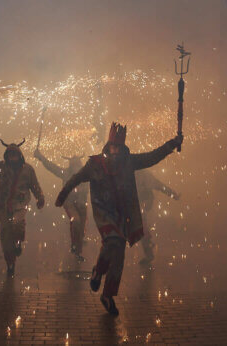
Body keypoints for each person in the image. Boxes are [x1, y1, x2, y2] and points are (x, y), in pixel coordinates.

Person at [55, 122, 183, 315]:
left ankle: (107, 293)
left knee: (118, 254)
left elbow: (152, 157)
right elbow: (77, 177)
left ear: (122, 148)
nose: (115, 152)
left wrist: (172, 143)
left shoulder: (129, 162)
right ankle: (98, 272)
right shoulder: (95, 164)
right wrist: (64, 193)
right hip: (104, 213)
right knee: (113, 240)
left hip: (123, 214)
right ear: (108, 146)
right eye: (113, 147)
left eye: (118, 148)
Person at [0, 138, 45, 277]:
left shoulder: (28, 170)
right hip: (3, 207)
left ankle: (18, 242)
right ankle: (10, 263)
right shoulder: (3, 168)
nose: (12, 158)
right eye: (10, 155)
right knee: (5, 239)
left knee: (18, 224)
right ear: (7, 156)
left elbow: (35, 185)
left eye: (14, 155)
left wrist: (40, 197)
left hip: (20, 205)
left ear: (19, 155)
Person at [34, 150, 88, 262]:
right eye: (74, 164)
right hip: (69, 203)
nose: (76, 166)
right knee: (76, 221)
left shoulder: (86, 174)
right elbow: (51, 167)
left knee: (81, 230)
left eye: (77, 164)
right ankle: (75, 247)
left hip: (82, 205)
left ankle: (78, 251)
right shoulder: (65, 173)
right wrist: (41, 157)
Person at [136, 169, 180, 264]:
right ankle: (148, 248)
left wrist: (173, 194)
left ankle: (148, 250)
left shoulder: (145, 175)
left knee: (141, 227)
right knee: (140, 227)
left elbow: (160, 186)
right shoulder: (129, 173)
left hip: (141, 204)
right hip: (135, 204)